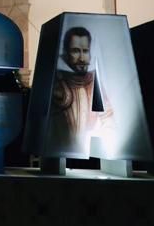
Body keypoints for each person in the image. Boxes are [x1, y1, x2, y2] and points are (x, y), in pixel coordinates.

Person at [47, 26, 112, 156]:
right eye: (76, 51)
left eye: (85, 51)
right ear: (66, 53)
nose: (82, 58)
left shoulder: (94, 82)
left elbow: (108, 118)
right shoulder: (56, 82)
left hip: (90, 157)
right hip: (60, 154)